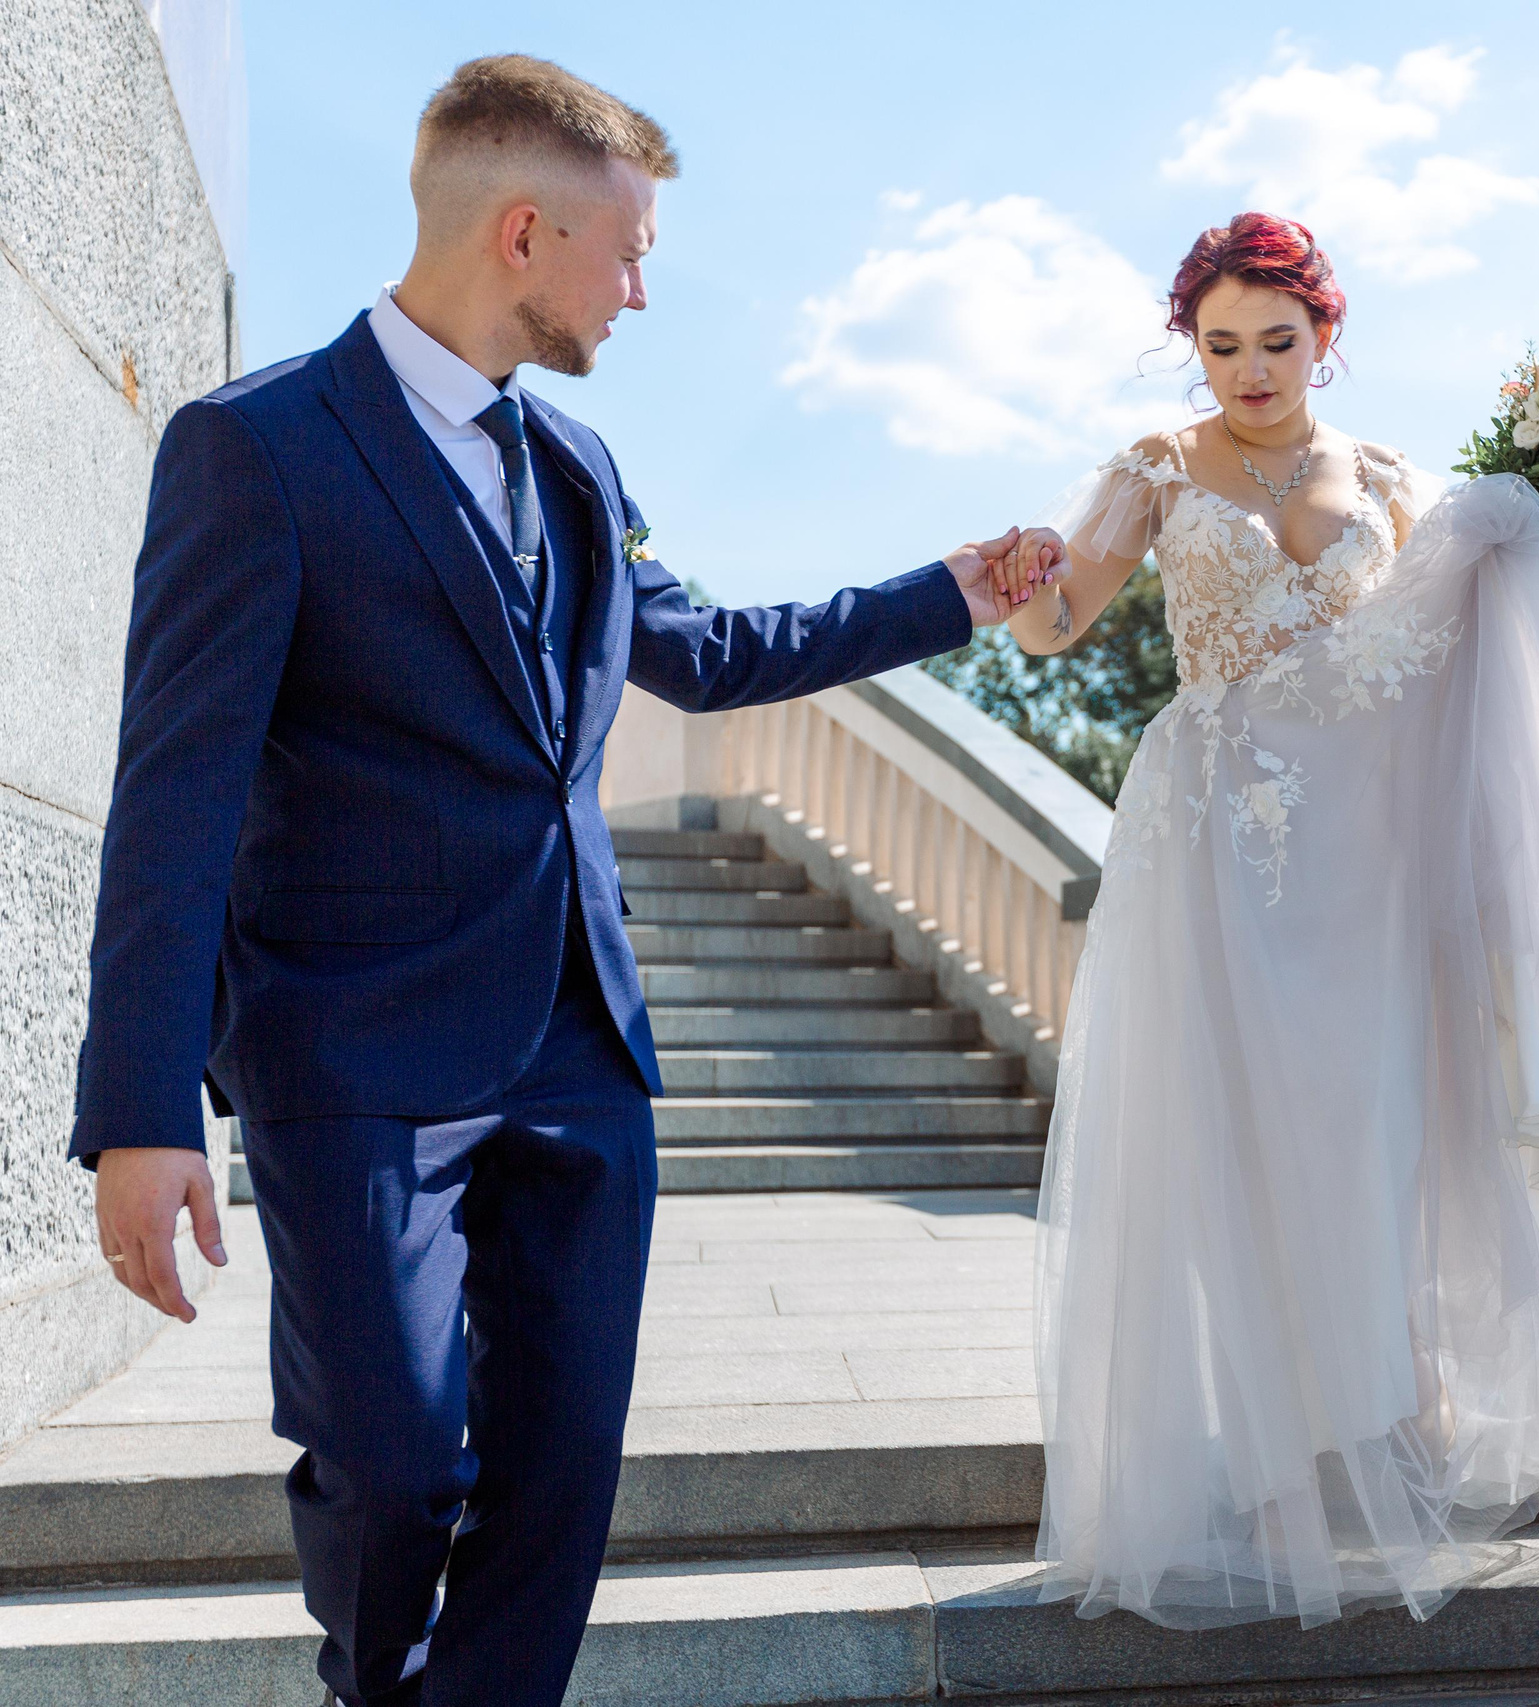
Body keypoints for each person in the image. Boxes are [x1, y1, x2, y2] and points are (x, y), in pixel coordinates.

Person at [72, 54, 1028, 1707]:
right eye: (631, 249)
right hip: (354, 1055)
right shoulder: (258, 449)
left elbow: (709, 654)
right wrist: (143, 1105)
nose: (645, 290)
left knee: (563, 1472)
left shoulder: (577, 466)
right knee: (386, 1466)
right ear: (524, 232)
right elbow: (175, 793)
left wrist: (949, 592)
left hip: (582, 1049)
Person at [989, 213, 1539, 1629]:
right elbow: (1059, 628)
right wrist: (1030, 593)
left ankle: (1405, 1404)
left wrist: (1525, 537)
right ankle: (1277, 1443)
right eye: (1220, 344)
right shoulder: (1155, 469)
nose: (1249, 370)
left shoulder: (1395, 480)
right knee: (1239, 1125)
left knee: (1388, 1114)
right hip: (1221, 830)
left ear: (1324, 338)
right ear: (1192, 345)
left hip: (1369, 846)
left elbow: (1440, 657)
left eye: (1276, 341)